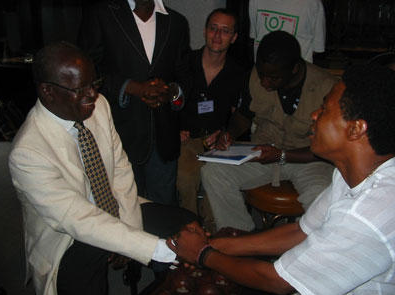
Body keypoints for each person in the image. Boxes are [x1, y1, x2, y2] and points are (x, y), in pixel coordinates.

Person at [169, 63, 395, 295]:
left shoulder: (367, 215)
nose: (314, 115)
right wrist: (214, 244)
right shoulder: (350, 175)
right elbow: (300, 231)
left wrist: (203, 254)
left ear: (356, 129)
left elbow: (278, 282)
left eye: (324, 109)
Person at [8, 42, 197, 295]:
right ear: (48, 92)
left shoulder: (99, 106)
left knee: (186, 225)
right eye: (80, 88)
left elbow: (120, 170)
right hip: (66, 236)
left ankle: (172, 290)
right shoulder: (28, 152)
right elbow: (77, 218)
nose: (92, 94)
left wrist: (130, 234)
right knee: (85, 285)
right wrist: (150, 248)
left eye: (94, 83)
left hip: (113, 205)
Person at [201, 31, 337, 232]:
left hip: (309, 159)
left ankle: (308, 252)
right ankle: (239, 238)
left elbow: (332, 149)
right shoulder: (255, 76)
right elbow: (244, 114)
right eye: (261, 74)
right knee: (213, 172)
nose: (264, 82)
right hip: (262, 152)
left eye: (273, 78)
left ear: (294, 69)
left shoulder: (327, 88)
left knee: (322, 200)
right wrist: (229, 133)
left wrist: (282, 155)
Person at [78, 0, 191, 206]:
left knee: (163, 209)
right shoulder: (102, 14)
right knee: (125, 208)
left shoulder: (177, 22)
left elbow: (184, 77)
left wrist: (170, 92)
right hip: (119, 132)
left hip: (163, 133)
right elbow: (87, 73)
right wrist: (133, 87)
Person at [177, 8, 253, 215]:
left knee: (218, 192)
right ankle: (189, 225)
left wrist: (228, 134)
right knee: (186, 178)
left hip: (219, 143)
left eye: (225, 31)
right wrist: (174, 129)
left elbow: (245, 112)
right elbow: (165, 101)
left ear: (234, 37)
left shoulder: (239, 73)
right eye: (213, 28)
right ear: (204, 31)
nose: (218, 36)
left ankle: (214, 233)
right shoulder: (183, 63)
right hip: (186, 140)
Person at [248, 0, 326, 63]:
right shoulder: (255, 1)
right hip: (261, 74)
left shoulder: (313, 3)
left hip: (296, 77)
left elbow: (317, 47)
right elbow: (255, 37)